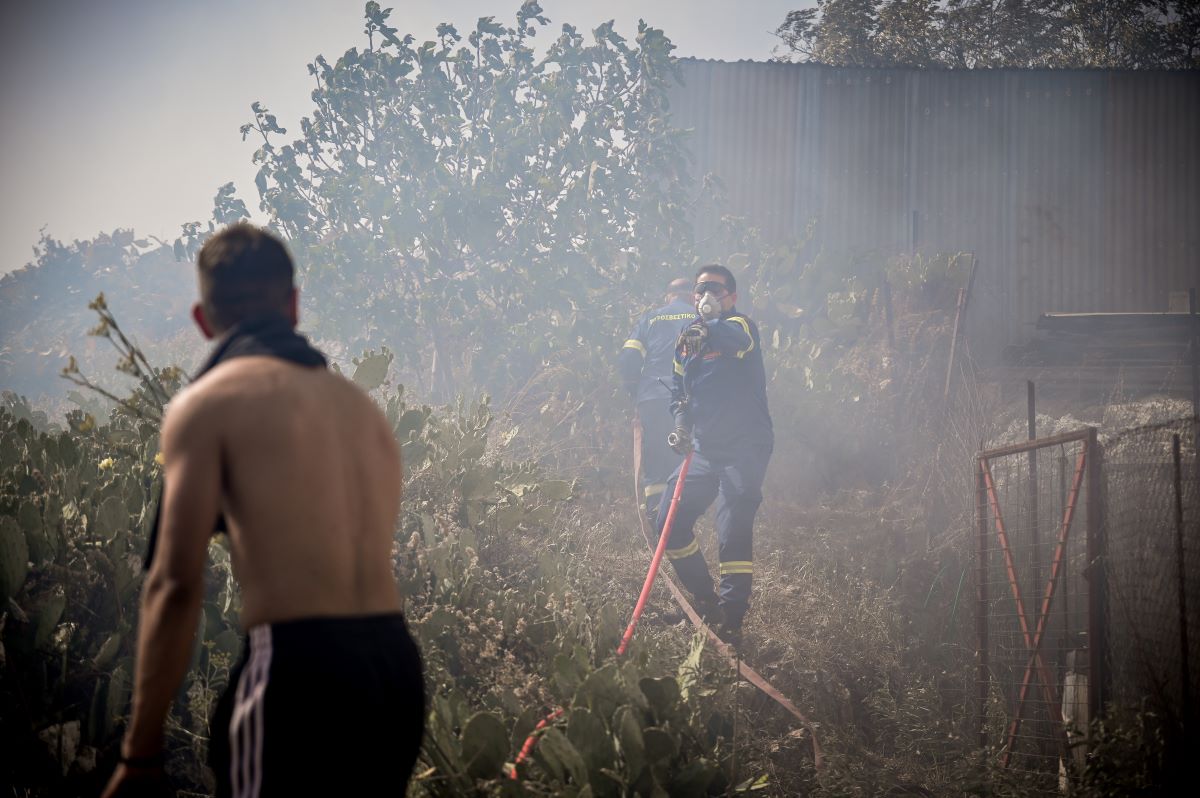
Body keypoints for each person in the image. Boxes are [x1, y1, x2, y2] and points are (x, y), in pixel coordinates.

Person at [102, 224, 425, 798]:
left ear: (204, 320)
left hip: (297, 675)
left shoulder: (208, 405)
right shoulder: (362, 411)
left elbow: (175, 584)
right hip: (394, 672)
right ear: (294, 305)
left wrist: (141, 753)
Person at [655, 265, 773, 648]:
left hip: (744, 448)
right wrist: (681, 424)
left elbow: (734, 339)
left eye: (715, 289)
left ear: (732, 297)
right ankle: (706, 602)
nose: (705, 295)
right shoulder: (686, 341)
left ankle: (732, 619)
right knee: (667, 524)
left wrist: (711, 324)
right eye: (700, 289)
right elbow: (679, 390)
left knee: (731, 531)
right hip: (704, 450)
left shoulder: (740, 327)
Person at [618, 277, 697, 522]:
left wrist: (635, 391)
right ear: (693, 296)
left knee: (655, 457)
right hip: (689, 399)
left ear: (668, 296)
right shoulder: (701, 319)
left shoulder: (650, 318)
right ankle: (682, 516)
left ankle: (656, 517)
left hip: (652, 397)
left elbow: (629, 358)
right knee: (685, 455)